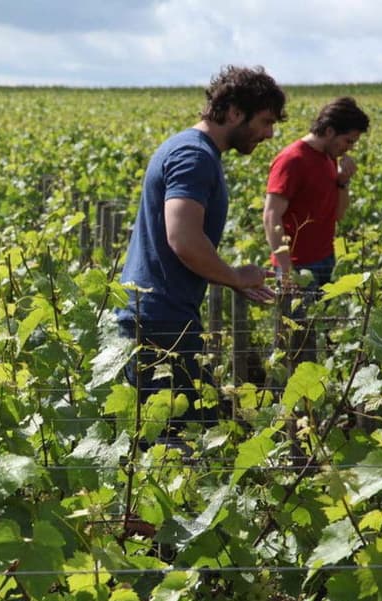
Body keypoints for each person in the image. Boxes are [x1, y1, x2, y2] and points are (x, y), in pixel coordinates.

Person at [116, 65, 286, 433]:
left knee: (172, 437)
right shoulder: (195, 157)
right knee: (184, 441)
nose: (270, 133)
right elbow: (184, 239)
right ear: (235, 112)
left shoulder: (188, 148)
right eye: (266, 120)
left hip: (158, 314)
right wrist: (235, 277)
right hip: (162, 321)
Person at [263, 97, 369, 363]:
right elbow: (271, 215)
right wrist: (286, 272)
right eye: (348, 140)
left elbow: (339, 214)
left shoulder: (328, 159)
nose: (349, 148)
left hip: (324, 260)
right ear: (330, 131)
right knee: (295, 344)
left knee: (320, 336)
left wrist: (343, 182)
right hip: (296, 267)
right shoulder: (292, 159)